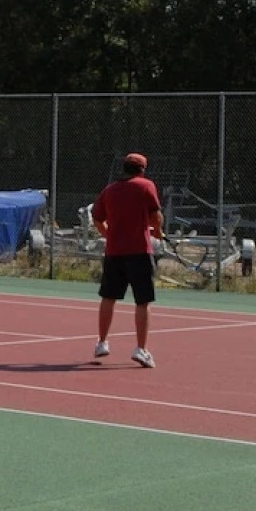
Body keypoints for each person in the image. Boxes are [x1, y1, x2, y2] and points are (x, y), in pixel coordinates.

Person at [91, 152, 165, 368]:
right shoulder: (146, 186)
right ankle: (141, 349)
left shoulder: (110, 190)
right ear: (142, 170)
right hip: (139, 252)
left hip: (114, 253)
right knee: (142, 301)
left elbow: (97, 218)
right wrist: (158, 231)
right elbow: (156, 215)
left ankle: (102, 342)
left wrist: (108, 235)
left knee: (108, 297)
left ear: (123, 168)